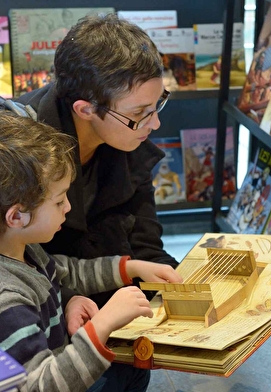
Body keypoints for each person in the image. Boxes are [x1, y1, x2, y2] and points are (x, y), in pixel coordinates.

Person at [0, 111, 183, 391]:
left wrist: (129, 268)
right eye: (60, 201)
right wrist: (104, 323)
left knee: (131, 371)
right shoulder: (7, 301)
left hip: (59, 360)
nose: (69, 208)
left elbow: (65, 273)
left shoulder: (24, 249)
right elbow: (41, 385)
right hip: (55, 379)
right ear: (16, 217)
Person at [12, 13, 180, 307]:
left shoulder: (126, 134)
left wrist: (180, 289)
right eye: (141, 113)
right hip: (38, 315)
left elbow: (146, 245)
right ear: (85, 109)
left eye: (158, 105)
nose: (155, 125)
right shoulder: (19, 151)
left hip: (113, 294)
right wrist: (66, 302)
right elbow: (13, 268)